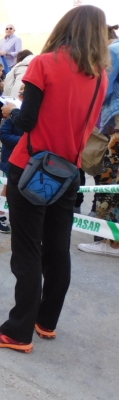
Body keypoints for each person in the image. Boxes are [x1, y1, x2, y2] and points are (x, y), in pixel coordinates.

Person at [0, 5, 109, 353]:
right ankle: (46, 321)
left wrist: (10, 110)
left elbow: (27, 120)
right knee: (56, 249)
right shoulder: (100, 76)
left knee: (26, 251)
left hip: (33, 168)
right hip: (69, 171)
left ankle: (17, 332)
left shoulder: (44, 63)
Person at [77, 25, 119, 256]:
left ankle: (110, 242)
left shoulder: (113, 51)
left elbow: (100, 89)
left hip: (115, 126)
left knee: (109, 183)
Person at [0, 84, 25, 234]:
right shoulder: (14, 115)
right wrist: (25, 141)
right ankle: (0, 216)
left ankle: (18, 218)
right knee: (8, 188)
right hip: (11, 159)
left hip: (28, 162)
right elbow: (4, 135)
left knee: (23, 191)